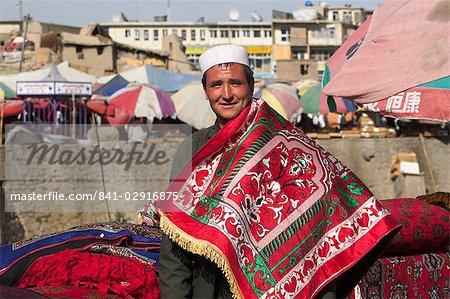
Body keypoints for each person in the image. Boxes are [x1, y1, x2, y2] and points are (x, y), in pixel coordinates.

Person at [141, 44, 400, 298]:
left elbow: (319, 223)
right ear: (206, 92)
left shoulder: (287, 144)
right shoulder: (193, 150)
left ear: (251, 86)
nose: (227, 94)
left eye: (235, 83)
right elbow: (174, 243)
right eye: (216, 85)